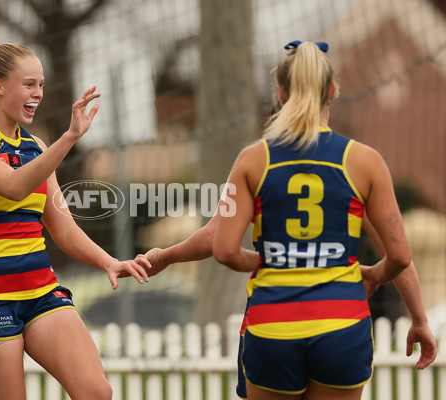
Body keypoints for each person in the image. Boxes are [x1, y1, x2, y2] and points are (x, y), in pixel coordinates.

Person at [137, 40, 436, 400]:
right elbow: (400, 256)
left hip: (272, 327)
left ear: (280, 92)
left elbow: (221, 245)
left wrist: (167, 256)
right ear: (333, 90)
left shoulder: (253, 160)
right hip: (341, 324)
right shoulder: (364, 161)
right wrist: (413, 313)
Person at [0, 25, 150, 400]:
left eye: (42, 85)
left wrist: (108, 261)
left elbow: (63, 229)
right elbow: (14, 187)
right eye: (30, 84)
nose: (39, 95)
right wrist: (70, 137)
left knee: (97, 392)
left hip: (41, 291)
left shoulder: (36, 146)